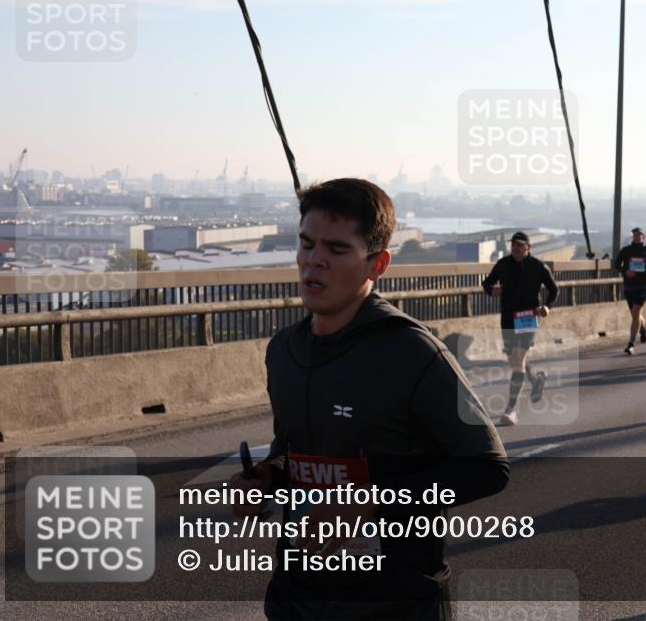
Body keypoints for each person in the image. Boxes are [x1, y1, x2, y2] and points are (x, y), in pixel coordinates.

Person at [230, 178, 509, 619]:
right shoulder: (283, 350)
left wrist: (370, 500)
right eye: (306, 244)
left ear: (377, 264)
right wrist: (266, 476)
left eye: (337, 250)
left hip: (394, 602)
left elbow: (487, 468)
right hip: (297, 596)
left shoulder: (410, 351)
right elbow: (298, 449)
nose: (313, 260)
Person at [482, 231, 559, 425]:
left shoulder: (538, 266)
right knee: (516, 361)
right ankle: (536, 380)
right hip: (508, 318)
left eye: (519, 245)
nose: (515, 248)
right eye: (513, 245)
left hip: (528, 318)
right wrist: (492, 290)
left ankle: (511, 410)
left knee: (518, 361)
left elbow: (554, 289)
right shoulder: (503, 264)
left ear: (528, 247)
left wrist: (547, 307)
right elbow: (487, 282)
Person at [614, 227, 646, 355]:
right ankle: (644, 327)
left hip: (642, 286)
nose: (637, 237)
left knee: (636, 312)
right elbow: (616, 264)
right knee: (635, 315)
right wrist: (625, 271)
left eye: (639, 235)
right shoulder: (626, 251)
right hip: (629, 287)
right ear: (632, 237)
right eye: (635, 235)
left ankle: (631, 344)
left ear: (643, 237)